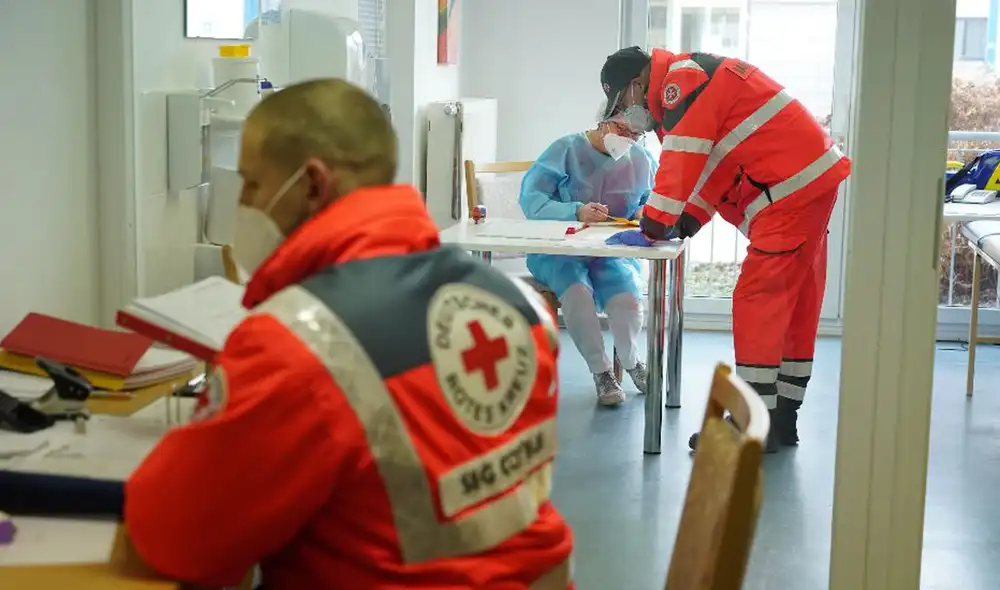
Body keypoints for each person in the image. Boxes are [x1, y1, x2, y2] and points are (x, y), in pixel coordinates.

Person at [0, 79, 574, 589]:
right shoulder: (515, 302)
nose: (242, 204)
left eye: (250, 184)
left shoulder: (303, 343)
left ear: (312, 185)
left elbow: (184, 540)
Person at [600, 46, 851, 452]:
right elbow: (718, 167)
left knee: (759, 301)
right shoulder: (697, 77)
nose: (628, 114)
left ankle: (752, 425)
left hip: (792, 191)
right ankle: (782, 418)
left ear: (636, 85)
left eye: (623, 103)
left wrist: (655, 223)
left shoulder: (679, 84)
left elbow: (681, 163)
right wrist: (686, 220)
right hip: (807, 182)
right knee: (794, 301)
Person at [520, 115, 656, 406]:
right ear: (604, 122)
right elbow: (532, 199)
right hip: (560, 251)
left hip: (609, 249)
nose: (630, 138)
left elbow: (651, 196)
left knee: (627, 298)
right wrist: (576, 211)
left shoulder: (641, 159)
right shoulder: (566, 150)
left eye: (637, 134)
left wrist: (646, 211)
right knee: (577, 293)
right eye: (624, 129)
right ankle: (602, 371)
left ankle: (632, 361)